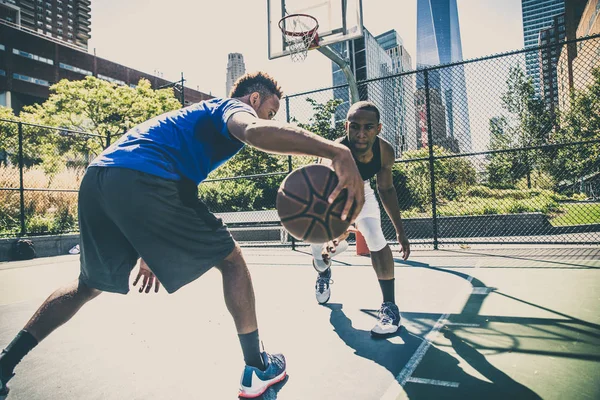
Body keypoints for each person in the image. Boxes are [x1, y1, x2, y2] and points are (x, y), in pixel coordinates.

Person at [0, 72, 365, 399]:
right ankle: (257, 367)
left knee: (86, 286)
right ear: (255, 98)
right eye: (270, 109)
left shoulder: (189, 123)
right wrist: (335, 150)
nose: (270, 117)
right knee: (232, 261)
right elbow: (252, 132)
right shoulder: (231, 108)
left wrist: (150, 249)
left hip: (100, 179)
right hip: (146, 178)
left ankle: (5, 362)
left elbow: (159, 180)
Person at [310, 101, 410, 338]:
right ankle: (324, 272)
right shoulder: (334, 154)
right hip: (329, 194)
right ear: (346, 126)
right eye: (355, 127)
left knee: (375, 236)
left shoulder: (385, 152)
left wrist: (400, 230)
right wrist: (339, 229)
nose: (361, 133)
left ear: (379, 128)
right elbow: (331, 197)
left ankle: (390, 308)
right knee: (319, 251)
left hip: (362, 189)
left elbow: (386, 189)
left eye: (368, 127)